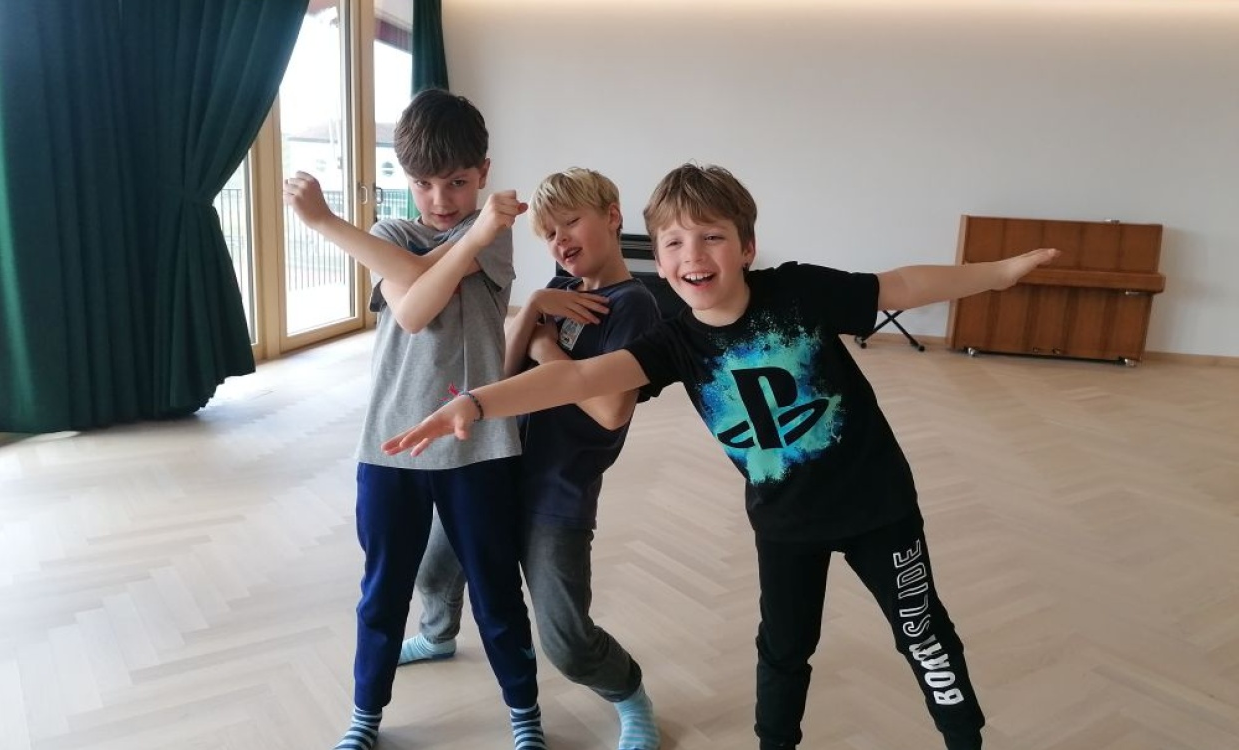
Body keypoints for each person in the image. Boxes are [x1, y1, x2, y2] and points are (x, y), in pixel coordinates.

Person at [381, 163, 1061, 750]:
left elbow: (900, 286)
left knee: (923, 636)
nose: (693, 254)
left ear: (746, 247)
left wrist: (1000, 273)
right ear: (660, 258)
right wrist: (475, 404)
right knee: (784, 652)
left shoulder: (797, 291)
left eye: (711, 236)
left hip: (879, 509)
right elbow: (580, 378)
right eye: (675, 242)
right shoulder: (675, 342)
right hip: (785, 525)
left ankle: (964, 739)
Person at [282, 88, 545, 750]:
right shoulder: (390, 235)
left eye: (457, 182)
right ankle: (364, 718)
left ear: (483, 173)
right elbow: (414, 307)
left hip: (480, 444)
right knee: (383, 591)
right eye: (423, 183)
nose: (440, 198)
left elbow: (424, 287)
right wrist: (328, 224)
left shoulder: (496, 233)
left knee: (496, 590)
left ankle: (525, 716)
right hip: (390, 446)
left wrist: (479, 231)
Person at [400, 168, 663, 750]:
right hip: (495, 470)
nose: (560, 240)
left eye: (570, 222)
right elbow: (502, 372)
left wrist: (545, 342)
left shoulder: (634, 305)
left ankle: (629, 694)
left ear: (612, 216)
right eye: (548, 233)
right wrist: (535, 307)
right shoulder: (562, 288)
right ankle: (438, 634)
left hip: (558, 493)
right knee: (433, 569)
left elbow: (610, 409)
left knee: (566, 641)